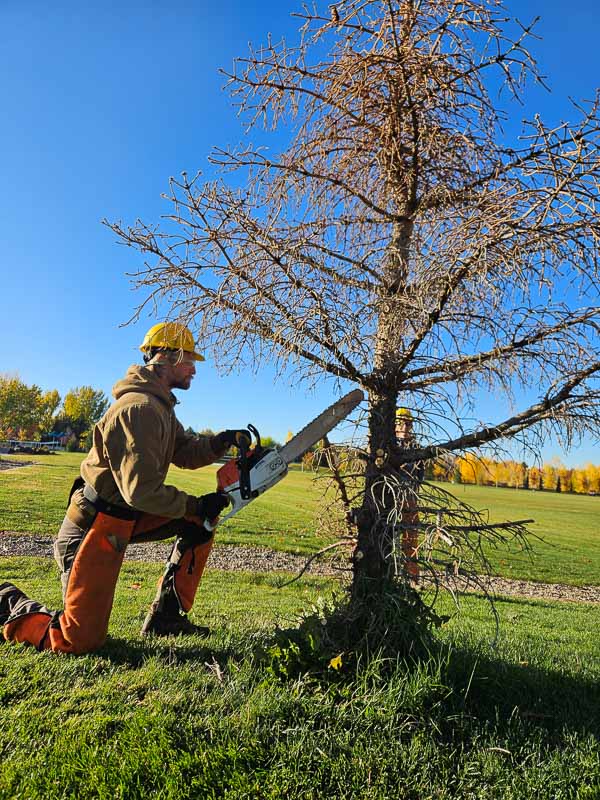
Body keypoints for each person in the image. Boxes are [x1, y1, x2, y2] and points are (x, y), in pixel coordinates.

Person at [0, 322, 250, 654]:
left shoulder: (158, 406)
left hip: (123, 516)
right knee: (77, 640)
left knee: (199, 524)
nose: (194, 369)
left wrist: (221, 442)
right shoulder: (140, 409)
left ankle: (166, 618)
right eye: (190, 360)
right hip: (96, 526)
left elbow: (186, 452)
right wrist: (194, 504)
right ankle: (5, 602)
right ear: (168, 356)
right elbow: (141, 491)